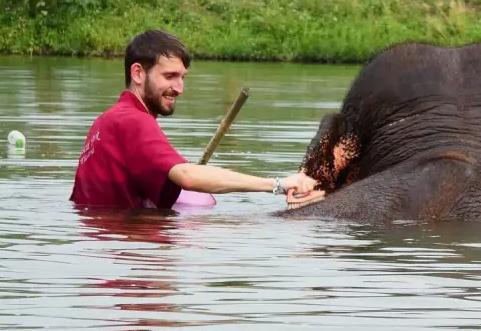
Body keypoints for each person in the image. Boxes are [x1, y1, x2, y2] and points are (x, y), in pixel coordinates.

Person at [70, 29, 321, 210]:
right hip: (130, 257)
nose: (179, 88)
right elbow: (187, 177)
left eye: (182, 77)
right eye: (169, 76)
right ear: (137, 73)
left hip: (103, 248)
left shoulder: (105, 120)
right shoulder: (134, 121)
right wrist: (278, 184)